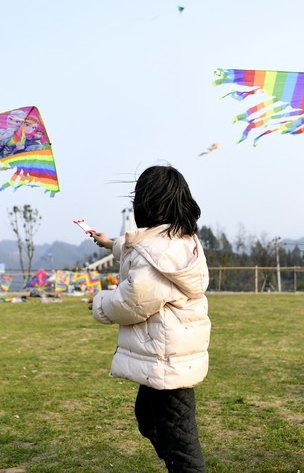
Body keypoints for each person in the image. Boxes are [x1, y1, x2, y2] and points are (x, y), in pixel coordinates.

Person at [89, 165, 211, 473]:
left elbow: (131, 302)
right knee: (149, 419)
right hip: (167, 357)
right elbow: (139, 246)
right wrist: (109, 242)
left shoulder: (155, 253)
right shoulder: (180, 240)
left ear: (145, 204)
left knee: (181, 445)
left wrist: (99, 301)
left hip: (167, 361)